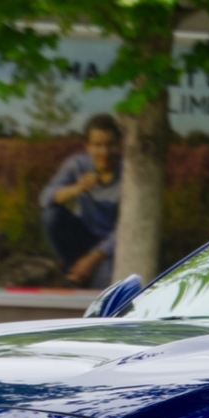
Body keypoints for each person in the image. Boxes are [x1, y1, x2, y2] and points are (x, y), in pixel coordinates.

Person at [38, 113, 124, 287]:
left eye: (110, 145)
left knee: (101, 288)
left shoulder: (127, 173)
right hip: (84, 233)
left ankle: (83, 274)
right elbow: (44, 198)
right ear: (88, 147)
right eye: (97, 145)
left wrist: (94, 257)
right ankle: (72, 266)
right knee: (51, 215)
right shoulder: (78, 164)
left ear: (118, 145)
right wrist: (77, 188)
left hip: (112, 244)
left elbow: (125, 228)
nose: (104, 152)